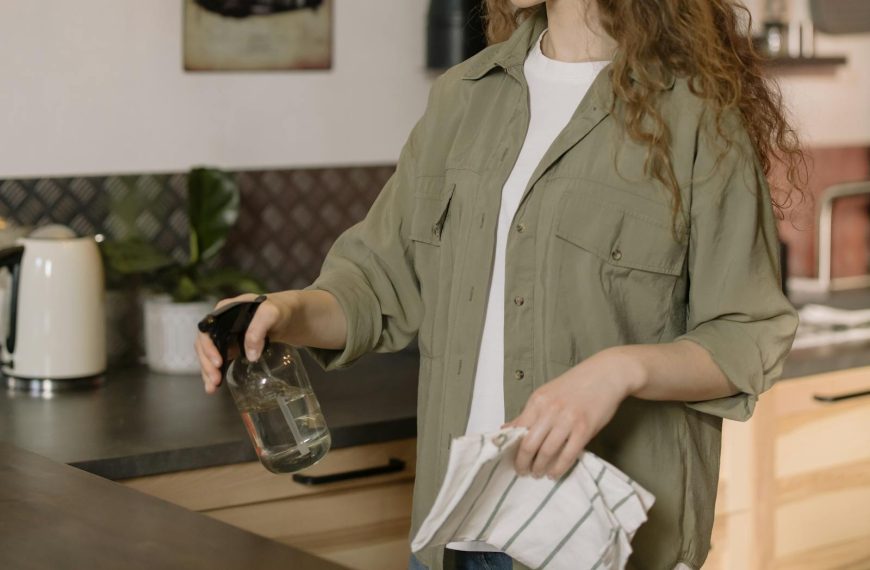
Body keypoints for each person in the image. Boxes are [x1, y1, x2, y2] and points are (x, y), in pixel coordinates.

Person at [196, 1, 807, 568]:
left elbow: (747, 332)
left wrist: (621, 370)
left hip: (603, 549)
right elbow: (376, 286)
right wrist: (283, 311)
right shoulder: (463, 98)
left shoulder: (697, 114)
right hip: (453, 538)